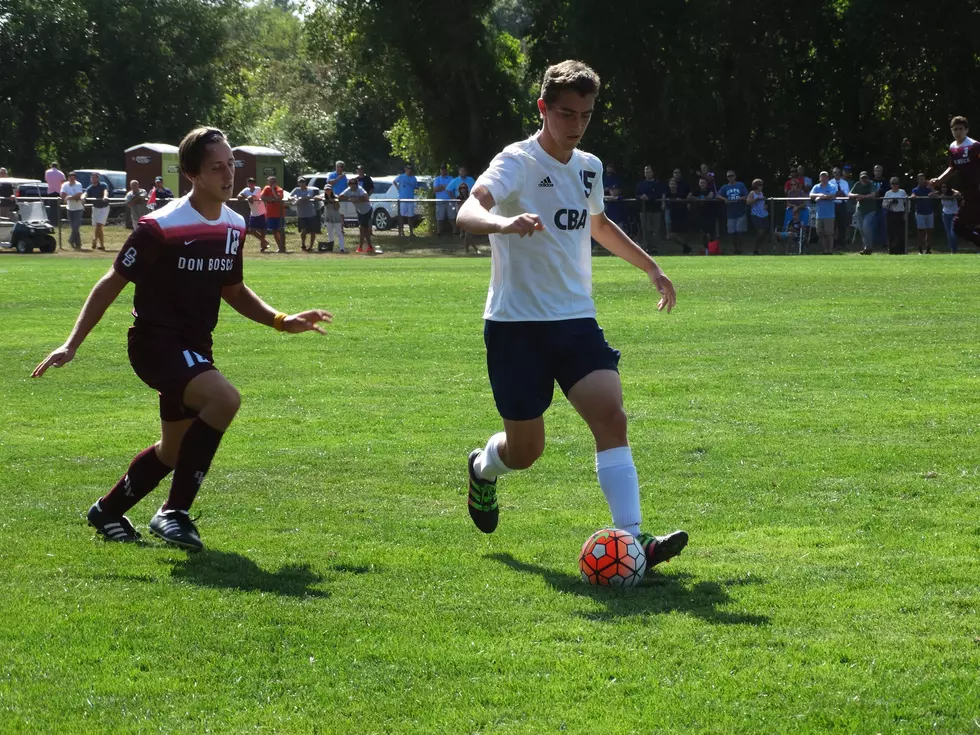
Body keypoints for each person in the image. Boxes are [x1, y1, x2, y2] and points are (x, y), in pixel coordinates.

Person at [31, 127, 332, 550]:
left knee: (172, 452)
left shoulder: (234, 224)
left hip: (194, 347)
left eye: (231, 164)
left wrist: (282, 320)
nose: (228, 174)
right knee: (224, 398)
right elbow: (110, 283)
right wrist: (72, 343)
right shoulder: (161, 226)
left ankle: (107, 510)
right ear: (192, 174)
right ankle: (174, 513)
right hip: (155, 345)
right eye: (217, 167)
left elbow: (234, 291)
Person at [455, 60, 685, 566]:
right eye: (565, 114)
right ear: (543, 109)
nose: (575, 125)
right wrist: (502, 222)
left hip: (576, 320)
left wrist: (651, 268)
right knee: (526, 452)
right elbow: (467, 211)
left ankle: (634, 540)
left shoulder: (589, 167)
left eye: (585, 115)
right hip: (516, 326)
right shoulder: (515, 161)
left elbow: (597, 225)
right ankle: (483, 468)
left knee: (611, 417)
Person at [929, 115, 980, 250]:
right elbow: (953, 168)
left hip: (977, 190)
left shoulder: (974, 146)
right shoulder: (953, 147)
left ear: (966, 130)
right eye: (955, 129)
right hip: (968, 192)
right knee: (970, 225)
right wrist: (939, 180)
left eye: (960, 129)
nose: (957, 132)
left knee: (958, 225)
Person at [337, 177, 375, 253]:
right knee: (365, 230)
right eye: (351, 184)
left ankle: (360, 247)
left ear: (357, 184)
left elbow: (366, 197)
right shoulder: (348, 190)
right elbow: (340, 197)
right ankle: (370, 247)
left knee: (362, 228)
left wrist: (357, 199)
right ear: (349, 184)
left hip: (367, 210)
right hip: (359, 211)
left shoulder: (360, 189)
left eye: (355, 183)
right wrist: (349, 198)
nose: (353, 185)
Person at [635, 165, 664, 254]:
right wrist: (641, 197)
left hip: (655, 210)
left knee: (655, 229)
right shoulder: (641, 184)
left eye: (649, 172)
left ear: (652, 173)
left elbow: (659, 194)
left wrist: (649, 198)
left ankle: (655, 248)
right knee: (646, 229)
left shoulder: (657, 183)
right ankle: (647, 247)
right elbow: (636, 194)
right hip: (644, 210)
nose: (647, 174)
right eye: (646, 172)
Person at [719, 170, 748, 254]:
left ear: (735, 176)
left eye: (732, 176)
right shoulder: (725, 187)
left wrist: (741, 198)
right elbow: (718, 195)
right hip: (730, 213)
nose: (730, 178)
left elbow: (747, 195)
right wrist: (725, 199)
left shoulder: (740, 185)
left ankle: (740, 248)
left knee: (740, 232)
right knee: (732, 233)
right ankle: (735, 249)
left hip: (740, 211)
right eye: (728, 176)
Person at [849, 171, 878, 254]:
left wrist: (863, 197)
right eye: (862, 178)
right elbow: (849, 194)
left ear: (867, 178)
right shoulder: (857, 184)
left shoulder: (871, 184)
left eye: (865, 177)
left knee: (866, 227)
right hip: (860, 210)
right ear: (860, 178)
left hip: (870, 209)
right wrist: (857, 195)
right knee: (862, 230)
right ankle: (866, 247)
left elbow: (873, 194)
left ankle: (869, 248)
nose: (864, 179)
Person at [909, 172, 937, 254]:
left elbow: (936, 193)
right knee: (920, 231)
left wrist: (932, 191)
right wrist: (913, 196)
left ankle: (928, 249)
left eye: (923, 178)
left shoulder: (928, 188)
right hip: (920, 213)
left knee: (930, 231)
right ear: (918, 180)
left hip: (929, 212)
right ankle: (920, 249)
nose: (922, 180)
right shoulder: (915, 189)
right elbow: (912, 195)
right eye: (920, 179)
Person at [810, 171, 837, 255]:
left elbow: (832, 195)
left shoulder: (832, 186)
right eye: (822, 177)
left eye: (825, 177)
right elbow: (811, 195)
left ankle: (830, 250)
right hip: (819, 214)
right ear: (820, 178)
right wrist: (822, 195)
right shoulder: (816, 186)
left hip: (829, 214)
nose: (823, 178)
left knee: (829, 233)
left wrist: (820, 197)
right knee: (820, 233)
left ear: (828, 178)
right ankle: (824, 250)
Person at [290, 177, 321, 252]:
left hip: (310, 213)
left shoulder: (309, 190)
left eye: (303, 182)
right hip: (301, 214)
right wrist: (293, 198)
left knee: (312, 231)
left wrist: (300, 198)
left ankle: (311, 246)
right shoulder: (296, 190)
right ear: (298, 183)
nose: (301, 183)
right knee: (303, 230)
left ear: (305, 183)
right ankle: (303, 244)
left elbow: (309, 196)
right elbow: (290, 196)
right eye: (300, 182)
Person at [237, 176, 268, 252]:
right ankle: (265, 242)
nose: (251, 184)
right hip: (253, 213)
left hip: (261, 212)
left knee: (263, 230)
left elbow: (253, 196)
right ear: (248, 184)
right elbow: (239, 196)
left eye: (252, 183)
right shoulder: (246, 190)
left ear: (255, 184)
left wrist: (246, 197)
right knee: (251, 231)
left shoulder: (258, 189)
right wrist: (244, 196)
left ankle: (263, 247)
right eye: (249, 183)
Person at [692, 176, 721, 253]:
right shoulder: (697, 190)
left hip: (710, 214)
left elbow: (710, 196)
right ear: (699, 183)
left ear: (706, 184)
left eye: (704, 183)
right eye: (701, 182)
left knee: (711, 233)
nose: (702, 184)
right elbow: (689, 196)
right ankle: (706, 249)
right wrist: (699, 198)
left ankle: (713, 249)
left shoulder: (710, 189)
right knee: (704, 233)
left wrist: (701, 198)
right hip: (701, 215)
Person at [664, 177, 691, 254]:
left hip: (681, 214)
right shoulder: (666, 193)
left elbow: (687, 200)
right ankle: (685, 246)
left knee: (684, 233)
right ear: (669, 185)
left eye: (674, 183)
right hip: (670, 214)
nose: (672, 185)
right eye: (671, 183)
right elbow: (664, 202)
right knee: (669, 235)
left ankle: (685, 248)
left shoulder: (681, 192)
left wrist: (682, 201)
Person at [882, 177, 908, 254]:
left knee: (900, 233)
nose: (895, 185)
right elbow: (884, 205)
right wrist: (890, 201)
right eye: (893, 184)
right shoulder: (888, 193)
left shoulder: (902, 192)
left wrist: (906, 213)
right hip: (891, 213)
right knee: (891, 233)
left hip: (900, 213)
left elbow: (907, 203)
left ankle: (901, 250)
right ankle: (891, 249)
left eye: (896, 183)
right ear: (891, 185)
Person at [260, 175, 286, 252]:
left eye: (272, 182)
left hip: (280, 214)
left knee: (281, 231)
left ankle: (283, 247)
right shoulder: (266, 188)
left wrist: (273, 190)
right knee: (274, 231)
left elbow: (278, 197)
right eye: (269, 182)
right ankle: (280, 247)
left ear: (275, 182)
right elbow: (262, 197)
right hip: (270, 214)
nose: (271, 184)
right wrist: (272, 199)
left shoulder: (279, 189)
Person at [393, 163, 420, 238]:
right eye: (408, 169)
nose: (409, 170)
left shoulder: (413, 178)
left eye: (410, 169)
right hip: (403, 199)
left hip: (410, 199)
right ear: (405, 169)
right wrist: (398, 188)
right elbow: (394, 182)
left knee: (410, 216)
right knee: (401, 215)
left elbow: (415, 187)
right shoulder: (401, 177)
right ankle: (401, 231)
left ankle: (411, 232)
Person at [61, 171, 85, 250]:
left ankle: (70, 239)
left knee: (76, 226)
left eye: (73, 178)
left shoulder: (78, 184)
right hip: (69, 208)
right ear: (68, 178)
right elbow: (62, 194)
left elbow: (78, 195)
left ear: (75, 178)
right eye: (70, 178)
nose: (71, 180)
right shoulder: (65, 185)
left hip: (78, 208)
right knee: (74, 227)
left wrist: (68, 197)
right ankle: (78, 244)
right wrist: (69, 197)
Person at [85, 172, 110, 250]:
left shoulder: (103, 185)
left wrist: (105, 196)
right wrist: (83, 197)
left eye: (95, 177)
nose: (93, 179)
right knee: (98, 227)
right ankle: (102, 245)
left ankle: (94, 239)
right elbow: (85, 193)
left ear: (98, 178)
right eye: (92, 178)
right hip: (95, 208)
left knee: (99, 225)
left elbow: (105, 191)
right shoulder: (90, 187)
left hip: (104, 207)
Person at [320, 185, 346, 253]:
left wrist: (334, 201)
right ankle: (330, 247)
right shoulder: (323, 196)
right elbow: (316, 197)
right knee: (330, 233)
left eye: (329, 189)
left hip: (336, 217)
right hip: (328, 217)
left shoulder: (335, 196)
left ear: (331, 190)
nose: (327, 191)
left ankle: (342, 248)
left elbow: (337, 207)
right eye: (326, 189)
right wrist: (323, 198)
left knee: (339, 233)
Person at [454, 181, 479, 253]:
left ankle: (467, 251)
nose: (463, 189)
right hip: (463, 217)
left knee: (467, 235)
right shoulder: (459, 198)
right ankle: (475, 250)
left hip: (470, 216)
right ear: (459, 189)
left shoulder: (470, 197)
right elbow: (459, 208)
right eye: (461, 188)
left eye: (464, 188)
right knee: (467, 234)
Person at [746, 178, 768, 255]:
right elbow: (748, 202)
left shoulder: (761, 193)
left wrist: (765, 206)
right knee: (760, 232)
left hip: (763, 214)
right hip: (755, 214)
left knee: (764, 232)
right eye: (760, 185)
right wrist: (757, 199)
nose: (761, 186)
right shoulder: (752, 193)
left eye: (762, 185)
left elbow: (763, 203)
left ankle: (758, 248)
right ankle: (755, 247)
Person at [938, 183, 962, 253]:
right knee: (948, 233)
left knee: (953, 233)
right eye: (942, 187)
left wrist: (951, 196)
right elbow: (931, 194)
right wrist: (940, 196)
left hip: (954, 214)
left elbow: (958, 194)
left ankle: (955, 248)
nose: (943, 188)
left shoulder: (952, 192)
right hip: (945, 214)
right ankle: (952, 250)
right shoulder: (941, 194)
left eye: (945, 187)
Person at [830, 167, 850, 250]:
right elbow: (831, 194)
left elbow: (846, 194)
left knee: (842, 225)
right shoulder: (830, 183)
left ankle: (842, 243)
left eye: (838, 172)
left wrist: (838, 193)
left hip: (842, 205)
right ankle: (833, 243)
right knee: (833, 225)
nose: (836, 174)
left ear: (840, 173)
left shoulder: (845, 183)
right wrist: (839, 193)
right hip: (833, 205)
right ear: (833, 173)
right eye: (835, 172)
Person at [432, 165, 455, 235]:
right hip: (440, 201)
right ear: (440, 170)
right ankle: (439, 232)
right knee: (439, 218)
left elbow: (452, 188)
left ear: (446, 170)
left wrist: (443, 187)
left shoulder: (451, 178)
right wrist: (443, 187)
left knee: (452, 217)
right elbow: (435, 189)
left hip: (450, 200)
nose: (443, 171)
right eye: (442, 169)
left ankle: (455, 231)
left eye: (444, 169)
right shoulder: (437, 179)